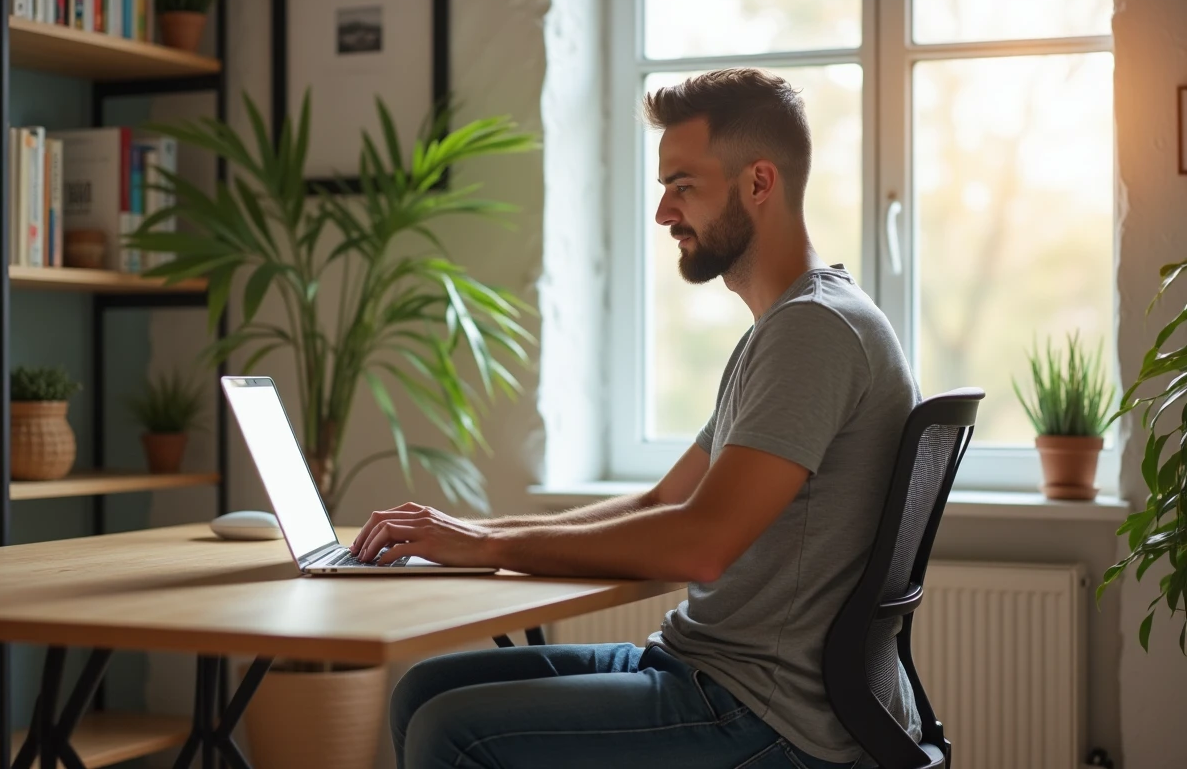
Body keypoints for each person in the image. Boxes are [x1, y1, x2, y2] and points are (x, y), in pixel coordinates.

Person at [352, 67, 922, 769]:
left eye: (682, 186)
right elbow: (664, 499)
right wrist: (473, 533)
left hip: (767, 713)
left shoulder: (815, 332)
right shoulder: (786, 327)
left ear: (758, 183)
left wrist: (490, 549)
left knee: (451, 729)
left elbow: (700, 543)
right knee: (423, 691)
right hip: (707, 669)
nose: (663, 213)